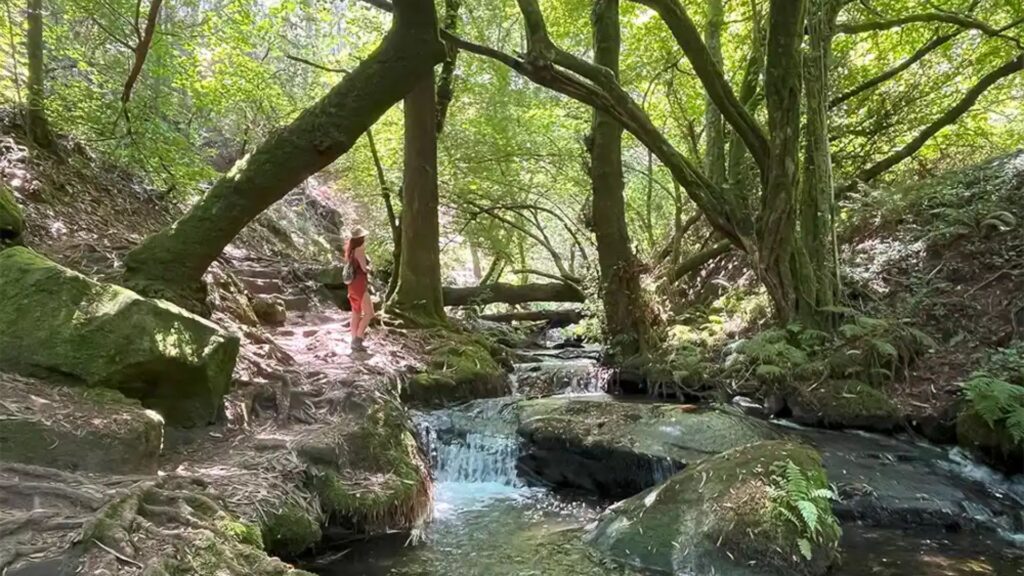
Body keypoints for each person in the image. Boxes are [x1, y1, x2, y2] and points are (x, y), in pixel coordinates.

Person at [344, 226, 374, 353]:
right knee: (369, 313)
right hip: (360, 285)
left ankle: (353, 340)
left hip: (352, 285)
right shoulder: (359, 250)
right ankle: (359, 338)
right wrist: (370, 267)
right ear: (361, 239)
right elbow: (364, 268)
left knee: (356, 313)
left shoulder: (350, 251)